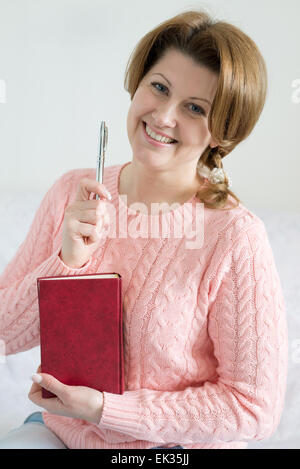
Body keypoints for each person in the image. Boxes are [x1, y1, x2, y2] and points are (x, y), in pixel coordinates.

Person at [0, 9, 288, 449]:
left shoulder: (234, 236)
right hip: (64, 435)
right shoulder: (71, 194)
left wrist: (107, 410)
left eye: (194, 108)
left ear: (221, 132)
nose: (164, 116)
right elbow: (5, 334)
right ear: (137, 84)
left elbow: (253, 408)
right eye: (159, 87)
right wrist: (64, 262)